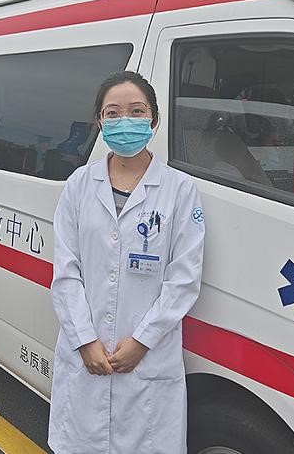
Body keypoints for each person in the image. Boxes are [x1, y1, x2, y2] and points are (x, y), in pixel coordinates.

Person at [48, 71, 205, 454]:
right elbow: (66, 272)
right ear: (100, 121)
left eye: (136, 112)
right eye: (113, 113)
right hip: (85, 353)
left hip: (148, 358)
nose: (125, 122)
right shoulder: (79, 185)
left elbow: (184, 279)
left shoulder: (180, 190)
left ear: (154, 119)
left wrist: (142, 341)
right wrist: (85, 340)